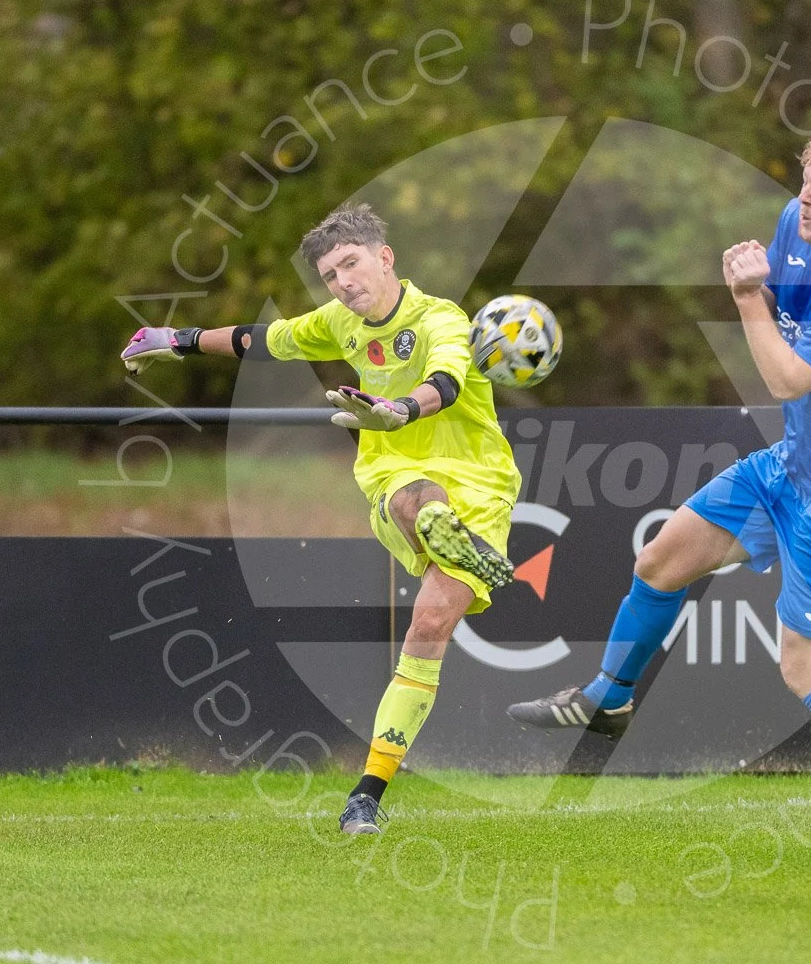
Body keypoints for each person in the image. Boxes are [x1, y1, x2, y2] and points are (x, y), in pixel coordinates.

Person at [507, 128, 811, 866]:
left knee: (807, 665)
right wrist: (760, 283)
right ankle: (609, 696)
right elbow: (780, 313)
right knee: (660, 562)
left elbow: (783, 379)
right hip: (790, 466)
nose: (804, 197)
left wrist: (745, 297)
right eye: (804, 179)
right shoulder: (794, 225)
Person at [121, 202, 518, 836]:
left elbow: (445, 381)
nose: (343, 284)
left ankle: (367, 792)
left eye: (351, 265)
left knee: (430, 621)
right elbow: (261, 341)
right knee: (418, 495)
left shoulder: (441, 316)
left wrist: (397, 408)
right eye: (330, 276)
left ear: (384, 258)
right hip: (394, 473)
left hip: (482, 483)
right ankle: (444, 534)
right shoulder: (338, 322)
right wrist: (178, 339)